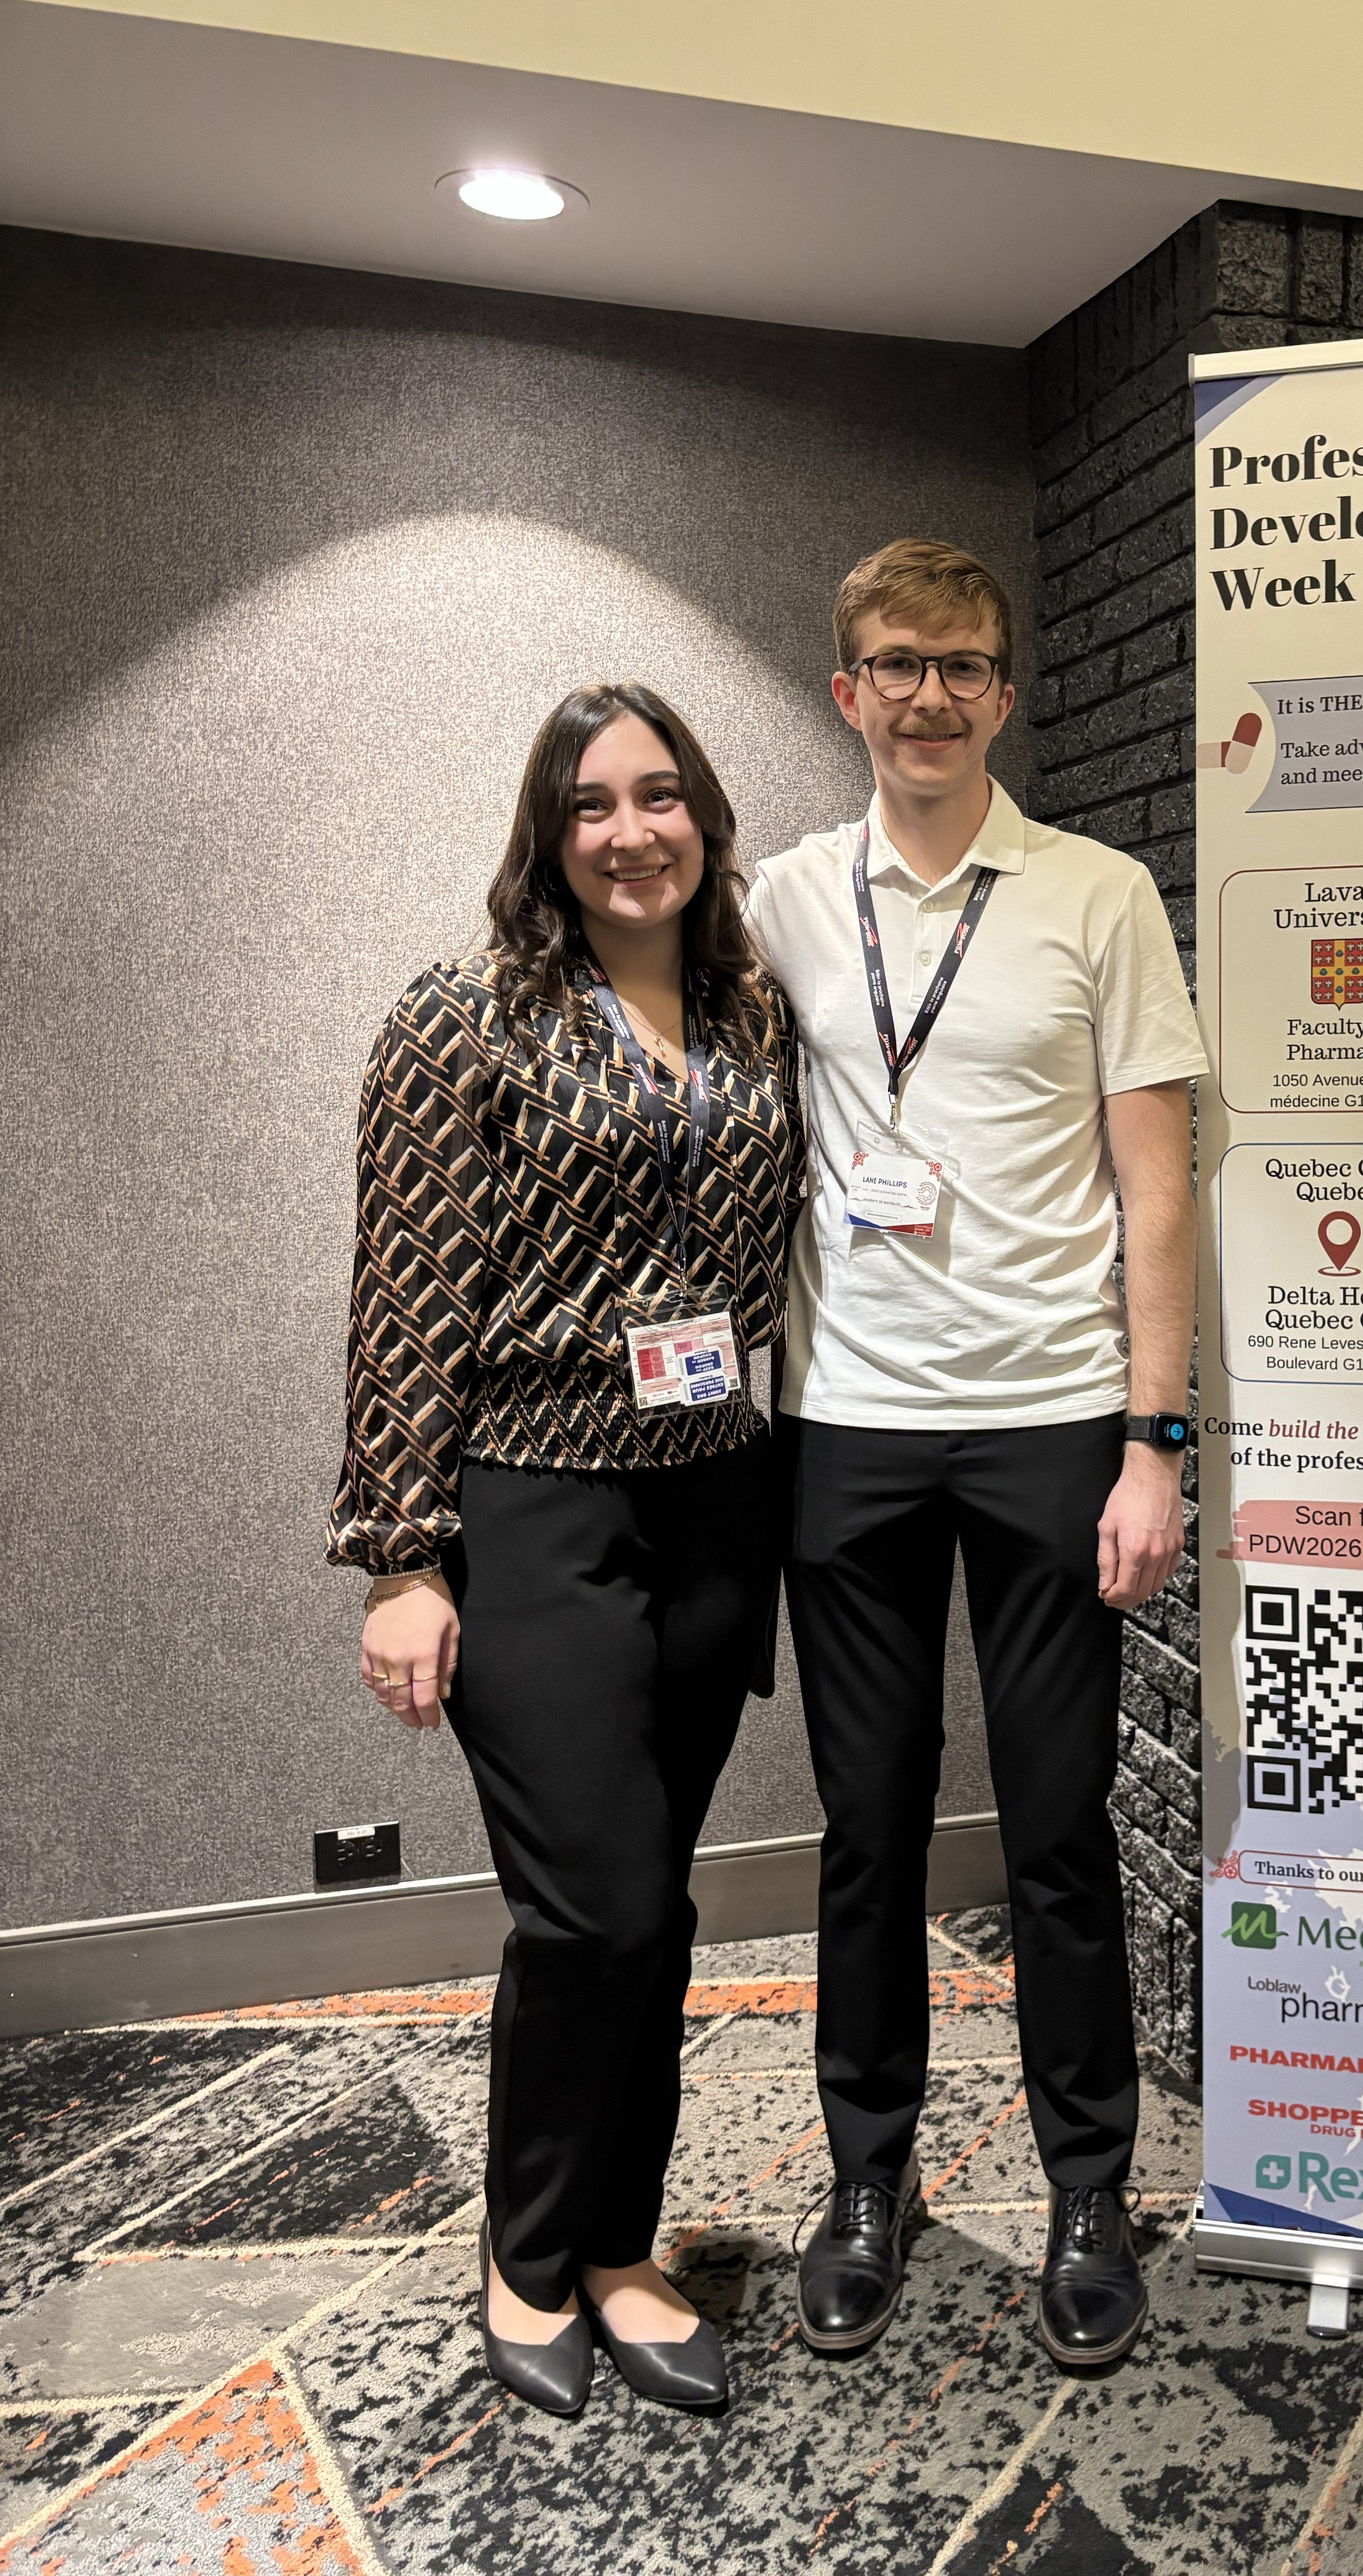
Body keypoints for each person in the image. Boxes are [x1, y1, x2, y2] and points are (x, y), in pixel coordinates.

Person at [746, 538, 1205, 2368]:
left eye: (960, 664)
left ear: (1006, 695)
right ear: (843, 691)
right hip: (843, 1427)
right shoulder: (779, 897)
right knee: (864, 1831)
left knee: (1060, 1830)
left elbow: (1160, 1190)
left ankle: (1087, 2188)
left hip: (1048, 1425)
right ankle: (871, 2180)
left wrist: (1155, 1442)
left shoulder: (1097, 895)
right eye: (890, 665)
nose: (926, 694)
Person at [329, 683, 800, 2418]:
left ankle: (618, 2247)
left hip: (713, 1503)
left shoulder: (758, 1018)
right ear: (548, 833)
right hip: (534, 1506)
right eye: (591, 803)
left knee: (651, 1910)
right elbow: (405, 1300)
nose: (631, 831)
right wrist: (400, 1556)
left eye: (661, 795)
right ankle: (525, 2255)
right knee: (589, 1905)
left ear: (705, 818)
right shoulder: (464, 1022)